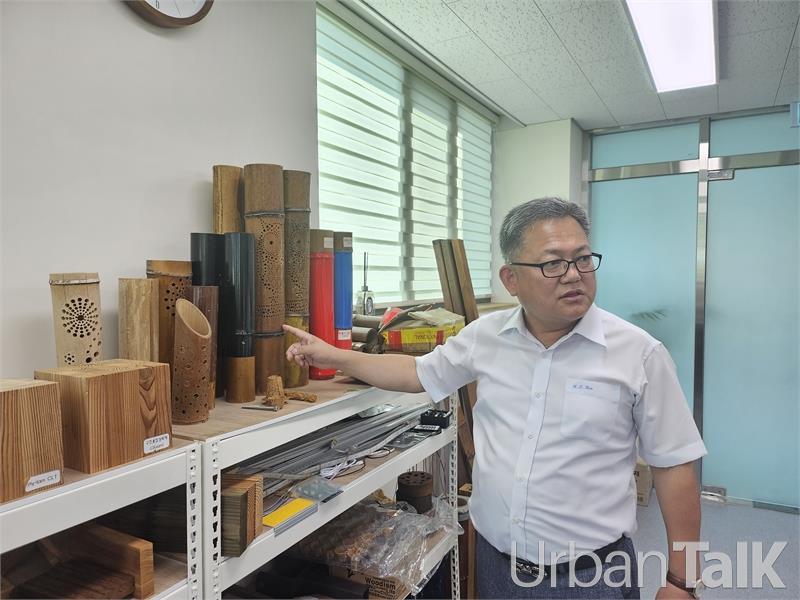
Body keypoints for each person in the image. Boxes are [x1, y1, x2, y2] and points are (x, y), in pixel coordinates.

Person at [284, 197, 706, 599]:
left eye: (582, 258)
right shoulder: (486, 337)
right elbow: (417, 372)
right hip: (496, 567)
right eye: (553, 263)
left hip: (591, 577)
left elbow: (674, 466)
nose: (574, 274)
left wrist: (682, 582)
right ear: (511, 279)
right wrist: (333, 355)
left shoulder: (638, 354)